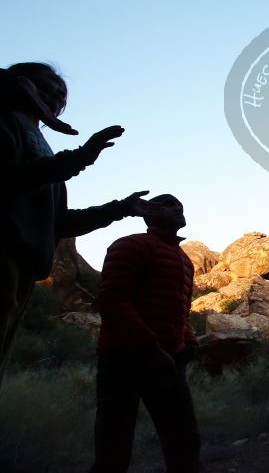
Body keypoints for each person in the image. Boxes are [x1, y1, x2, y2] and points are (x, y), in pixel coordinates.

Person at [0, 62, 162, 383]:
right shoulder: (5, 121)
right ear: (21, 83)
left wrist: (121, 208)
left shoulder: (41, 146)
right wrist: (79, 159)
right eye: (45, 85)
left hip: (22, 271)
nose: (56, 95)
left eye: (62, 95)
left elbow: (60, 223)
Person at [91, 194, 200, 473]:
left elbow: (179, 310)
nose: (178, 207)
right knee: (113, 446)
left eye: (180, 204)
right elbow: (112, 300)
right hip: (123, 360)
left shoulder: (185, 261)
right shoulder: (130, 246)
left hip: (169, 361)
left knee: (184, 440)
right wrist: (151, 348)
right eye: (167, 204)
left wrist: (188, 341)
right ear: (149, 213)